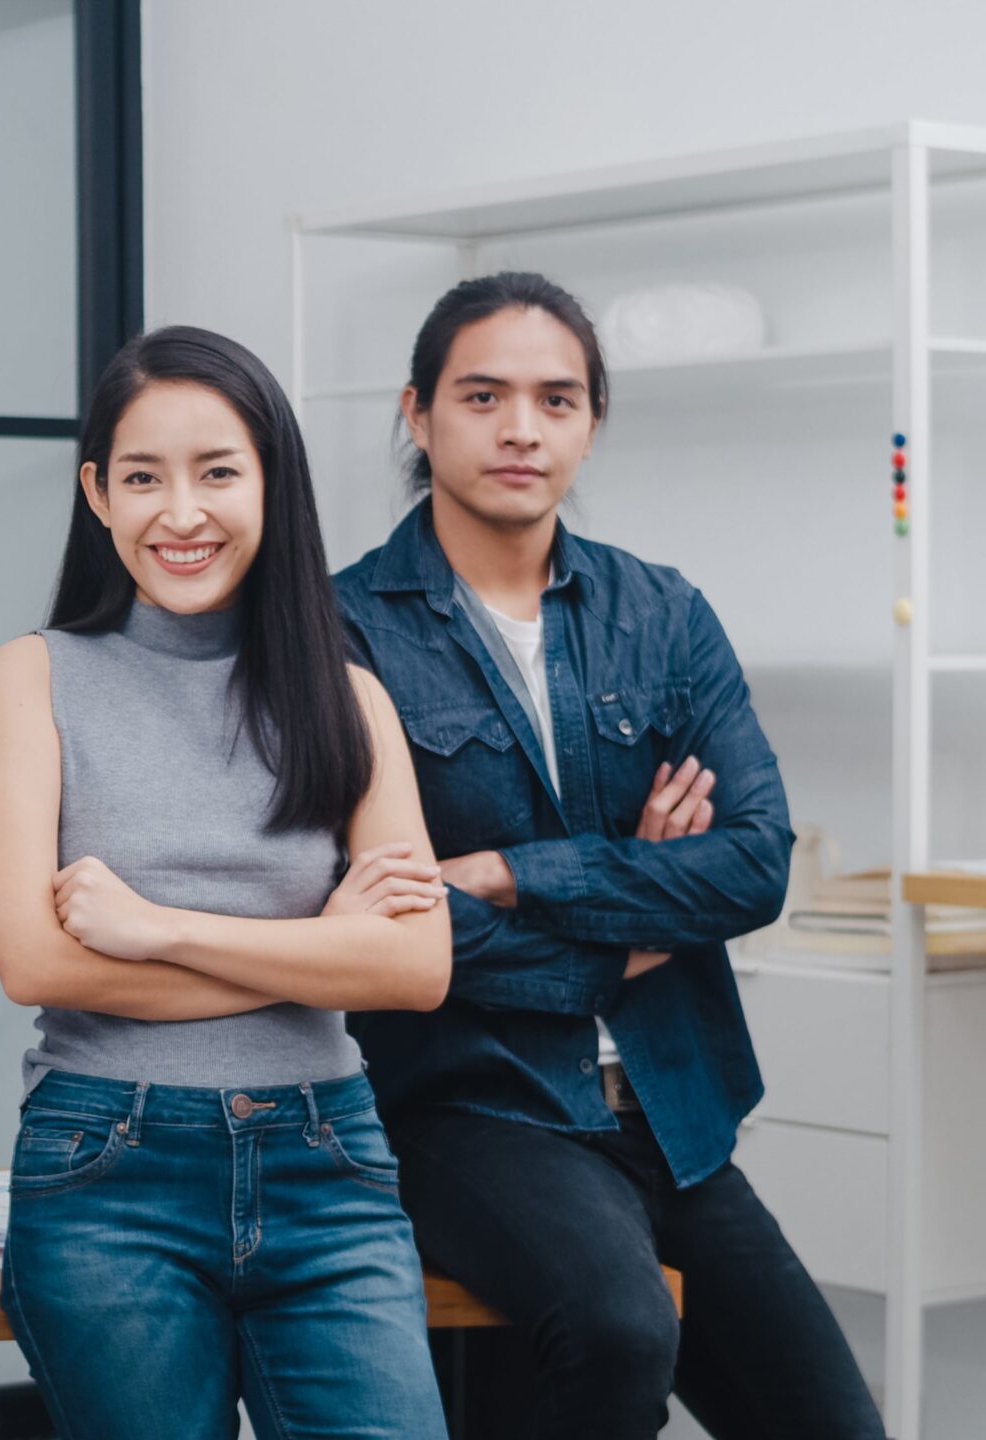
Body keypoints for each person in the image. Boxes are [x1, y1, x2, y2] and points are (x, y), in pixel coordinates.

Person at [333, 270, 885, 1439]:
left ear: (590, 424)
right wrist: (626, 930)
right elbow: (378, 919)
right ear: (416, 412)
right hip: (469, 1108)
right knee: (617, 1330)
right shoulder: (339, 631)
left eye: (557, 398)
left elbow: (751, 864)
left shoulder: (659, 612)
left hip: (669, 1110)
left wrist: (514, 871)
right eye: (482, 395)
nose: (521, 428)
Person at [0, 325, 453, 1439]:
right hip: (108, 1171)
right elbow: (34, 963)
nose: (179, 513)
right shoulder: (33, 677)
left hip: (326, 1163)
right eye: (142, 476)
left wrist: (149, 929)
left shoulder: (348, 699)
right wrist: (322, 952)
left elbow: (417, 967)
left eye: (217, 472)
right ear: (96, 492)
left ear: (272, 484)